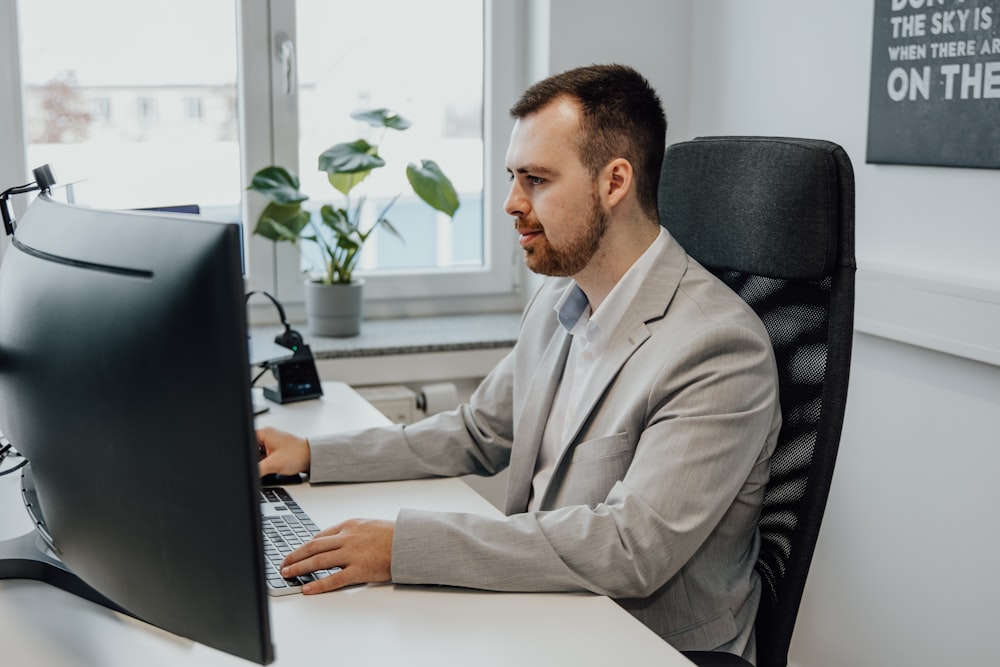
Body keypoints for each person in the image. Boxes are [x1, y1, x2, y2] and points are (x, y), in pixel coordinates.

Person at [258, 63, 780, 662]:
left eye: (534, 179)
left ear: (614, 183)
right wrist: (313, 454)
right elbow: (480, 432)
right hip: (547, 611)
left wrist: (403, 546)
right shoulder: (561, 299)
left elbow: (630, 547)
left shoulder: (717, 347)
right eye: (512, 177)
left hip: (642, 644)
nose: (511, 203)